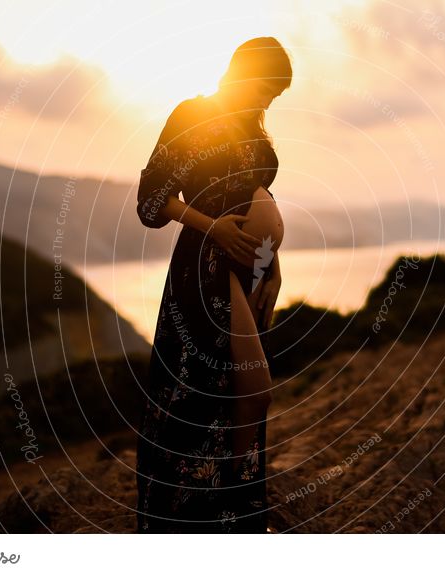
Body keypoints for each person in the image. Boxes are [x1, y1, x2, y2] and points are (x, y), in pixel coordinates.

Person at [135, 37, 292, 533]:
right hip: (206, 267)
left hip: (249, 269)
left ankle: (238, 509)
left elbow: (256, 199)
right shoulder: (194, 114)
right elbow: (152, 199)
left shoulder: (250, 128)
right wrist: (213, 226)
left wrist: (273, 259)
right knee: (239, 389)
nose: (269, 101)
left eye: (277, 96)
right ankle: (195, 514)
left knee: (237, 394)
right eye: (267, 88)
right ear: (246, 72)